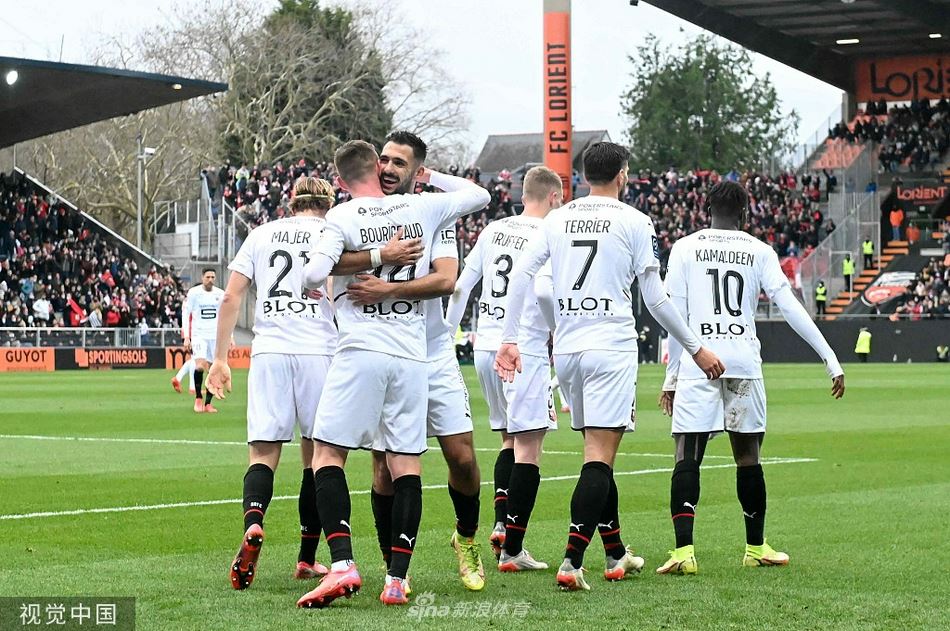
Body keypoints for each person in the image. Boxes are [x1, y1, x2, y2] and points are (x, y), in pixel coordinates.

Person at [493, 142, 725, 592]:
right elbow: (655, 298)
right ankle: (572, 561)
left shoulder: (557, 219)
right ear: (622, 175)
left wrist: (510, 337)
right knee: (600, 456)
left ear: (583, 176)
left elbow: (522, 275)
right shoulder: (635, 220)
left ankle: (616, 553)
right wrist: (696, 349)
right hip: (611, 347)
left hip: (568, 351)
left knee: (596, 452)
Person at [296, 141, 490, 608]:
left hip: (421, 351)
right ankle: (395, 573)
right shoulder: (420, 212)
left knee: (458, 457)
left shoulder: (423, 212)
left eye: (399, 163)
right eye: (383, 160)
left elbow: (446, 280)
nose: (387, 167)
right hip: (406, 351)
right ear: (374, 165)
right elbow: (479, 196)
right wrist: (382, 254)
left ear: (417, 171)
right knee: (393, 465)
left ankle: (352, 562)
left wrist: (382, 281)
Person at [657, 180, 845, 576]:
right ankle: (756, 547)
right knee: (748, 457)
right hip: (742, 362)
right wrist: (829, 357)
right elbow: (789, 306)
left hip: (698, 361)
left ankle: (684, 552)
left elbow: (675, 315)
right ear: (745, 213)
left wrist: (671, 376)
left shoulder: (685, 247)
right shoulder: (759, 250)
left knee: (687, 456)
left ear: (707, 210)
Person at [206, 177, 338, 590]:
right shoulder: (334, 234)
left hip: (269, 351)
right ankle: (307, 558)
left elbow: (231, 297)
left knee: (262, 453)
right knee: (319, 458)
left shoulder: (261, 234)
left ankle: (254, 521)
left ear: (292, 201)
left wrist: (220, 359)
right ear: (328, 202)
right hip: (319, 350)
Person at [446, 166, 564, 573]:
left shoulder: (493, 229)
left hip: (485, 346)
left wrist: (446, 336)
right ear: (553, 197)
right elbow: (544, 290)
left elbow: (461, 285)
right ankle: (513, 549)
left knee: (508, 440)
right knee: (529, 448)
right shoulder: (549, 232)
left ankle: (500, 524)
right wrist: (557, 331)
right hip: (522, 347)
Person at [182, 269, 231, 413]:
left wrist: (230, 336)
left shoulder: (220, 294)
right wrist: (187, 337)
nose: (210, 279)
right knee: (199, 366)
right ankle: (198, 398)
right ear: (202, 277)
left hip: (215, 337)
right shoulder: (194, 293)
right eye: (208, 277)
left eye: (212, 277)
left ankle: (208, 403)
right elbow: (186, 313)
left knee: (213, 369)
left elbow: (226, 315)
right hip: (199, 335)